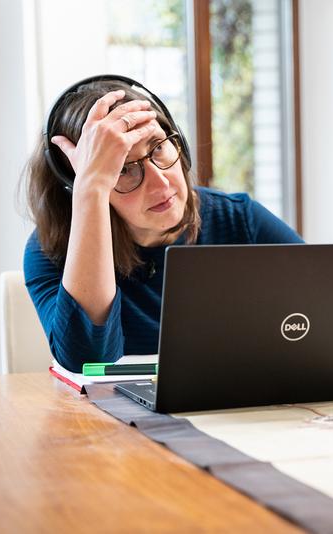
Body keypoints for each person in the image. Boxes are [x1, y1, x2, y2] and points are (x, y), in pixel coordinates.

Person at [23, 75, 303, 372]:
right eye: (123, 169)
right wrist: (90, 191)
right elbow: (89, 360)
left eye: (157, 147)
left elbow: (329, 307)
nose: (160, 182)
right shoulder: (52, 248)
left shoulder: (239, 219)